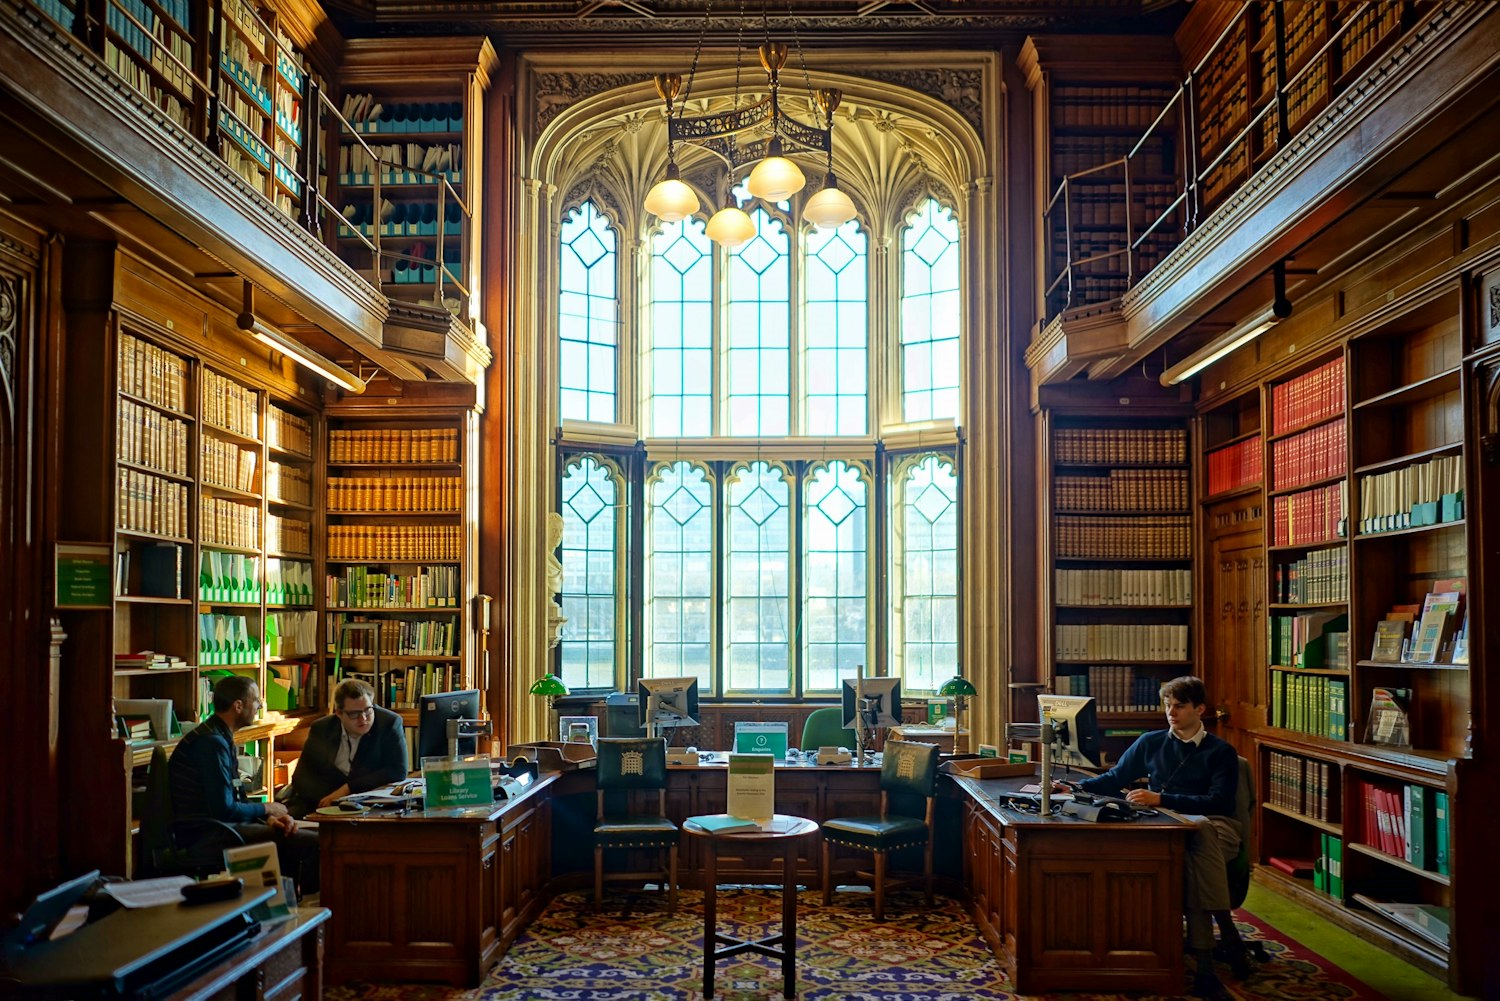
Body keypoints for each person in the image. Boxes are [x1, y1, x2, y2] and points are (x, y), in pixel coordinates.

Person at [1061, 676, 1239, 999]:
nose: (1171, 713)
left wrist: (1162, 799)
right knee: (1188, 862)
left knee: (1199, 834)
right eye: (1167, 706)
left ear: (1200, 709)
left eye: (1179, 706)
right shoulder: (1151, 742)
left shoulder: (1221, 751)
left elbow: (1221, 803)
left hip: (1216, 826)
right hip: (1167, 824)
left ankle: (1206, 964)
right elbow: (1115, 777)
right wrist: (1074, 788)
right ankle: (1223, 940)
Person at [170, 675, 320, 894]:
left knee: (290, 834)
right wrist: (269, 807)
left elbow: (236, 794)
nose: (260, 705)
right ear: (238, 706)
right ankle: (303, 912)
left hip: (221, 826)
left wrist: (268, 818)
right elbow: (224, 809)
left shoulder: (220, 735)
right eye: (256, 700)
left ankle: (286, 905)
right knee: (313, 844)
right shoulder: (211, 743)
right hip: (206, 833)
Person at [281, 678, 408, 818]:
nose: (363, 718)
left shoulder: (388, 723)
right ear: (339, 713)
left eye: (368, 710)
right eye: (354, 714)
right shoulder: (322, 728)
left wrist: (348, 789)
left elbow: (397, 770)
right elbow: (301, 777)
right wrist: (330, 799)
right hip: (322, 800)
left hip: (368, 803)